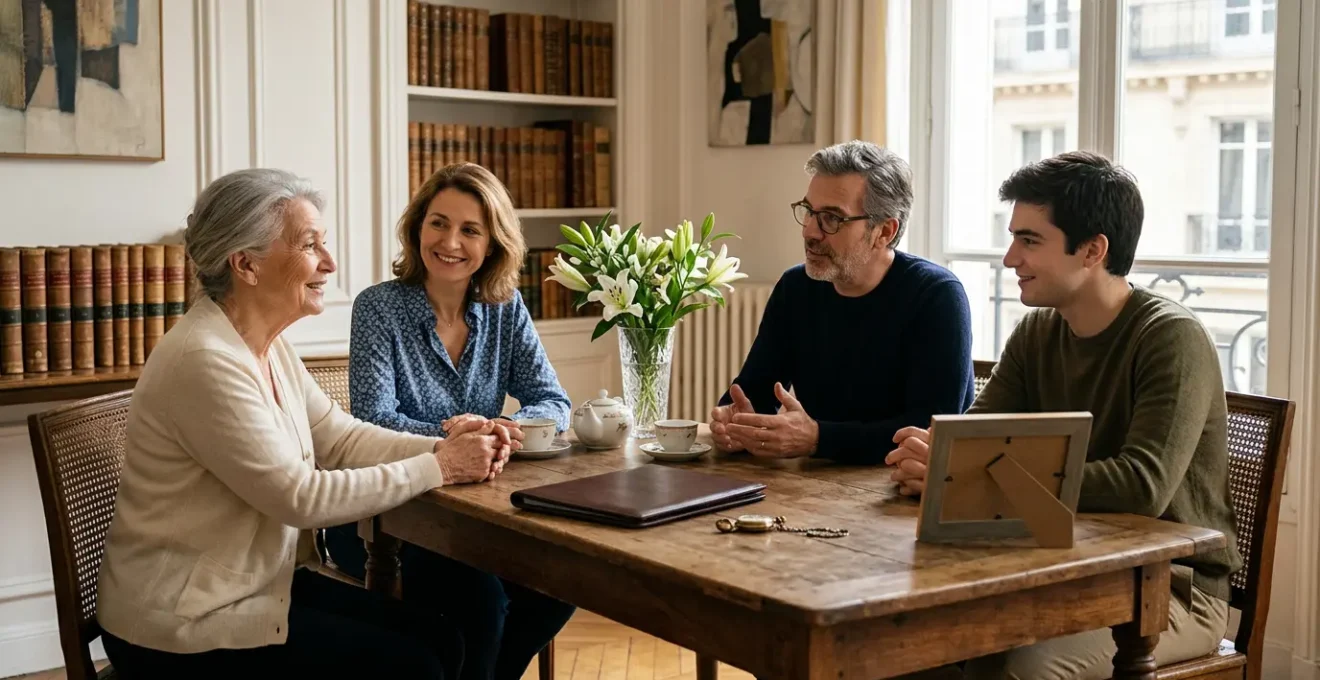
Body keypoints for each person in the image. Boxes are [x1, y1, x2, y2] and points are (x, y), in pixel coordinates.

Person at [96, 168, 519, 678]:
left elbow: (339, 436)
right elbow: (301, 497)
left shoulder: (265, 346)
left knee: (444, 639)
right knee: (416, 665)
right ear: (246, 264)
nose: (329, 262)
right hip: (184, 624)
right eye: (309, 245)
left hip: (256, 590)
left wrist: (441, 446)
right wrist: (443, 468)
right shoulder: (204, 360)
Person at [886, 151, 1241, 679]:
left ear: (1093, 250)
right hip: (1061, 566)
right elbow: (968, 441)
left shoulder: (1171, 337)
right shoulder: (1037, 332)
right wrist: (936, 462)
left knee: (1019, 668)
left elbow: (1142, 485)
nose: (1010, 259)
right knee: (910, 646)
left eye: (1029, 241)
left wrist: (973, 471)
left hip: (1169, 591)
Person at [325, 162, 576, 680]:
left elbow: (552, 400)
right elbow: (375, 422)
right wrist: (457, 435)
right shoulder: (378, 308)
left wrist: (505, 427)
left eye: (470, 229)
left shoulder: (506, 308)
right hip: (382, 518)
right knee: (479, 597)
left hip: (478, 513)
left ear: (492, 244)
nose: (450, 242)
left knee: (561, 583)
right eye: (438, 223)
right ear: (417, 227)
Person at [708, 140, 975, 463]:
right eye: (809, 211)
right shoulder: (796, 287)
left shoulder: (936, 295)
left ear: (884, 231)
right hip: (814, 487)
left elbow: (928, 430)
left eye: (832, 219)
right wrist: (736, 421)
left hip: (900, 492)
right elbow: (753, 392)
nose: (810, 231)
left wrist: (818, 438)